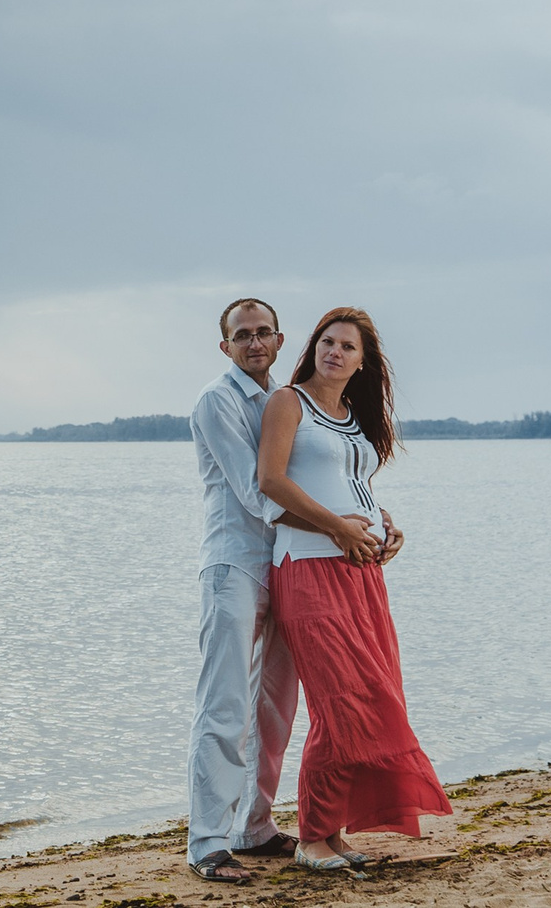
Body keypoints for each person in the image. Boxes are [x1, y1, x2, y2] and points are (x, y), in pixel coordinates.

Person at [184, 299, 397, 885]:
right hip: (235, 565)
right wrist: (341, 527)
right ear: (224, 346)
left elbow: (316, 474)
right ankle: (206, 842)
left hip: (287, 566)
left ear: (279, 341)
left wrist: (373, 519)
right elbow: (264, 493)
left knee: (275, 706)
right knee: (225, 704)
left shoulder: (287, 400)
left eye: (262, 334)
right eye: (241, 335)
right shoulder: (218, 401)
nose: (253, 343)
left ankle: (252, 826)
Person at [255, 306, 451, 871]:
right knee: (340, 704)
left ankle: (333, 834)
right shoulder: (288, 402)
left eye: (347, 346)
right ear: (313, 348)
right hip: (308, 569)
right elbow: (271, 482)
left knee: (372, 699)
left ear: (363, 364)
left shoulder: (351, 417)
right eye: (327, 341)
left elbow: (352, 487)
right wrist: (338, 528)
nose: (334, 351)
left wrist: (385, 526)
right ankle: (312, 838)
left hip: (362, 575)